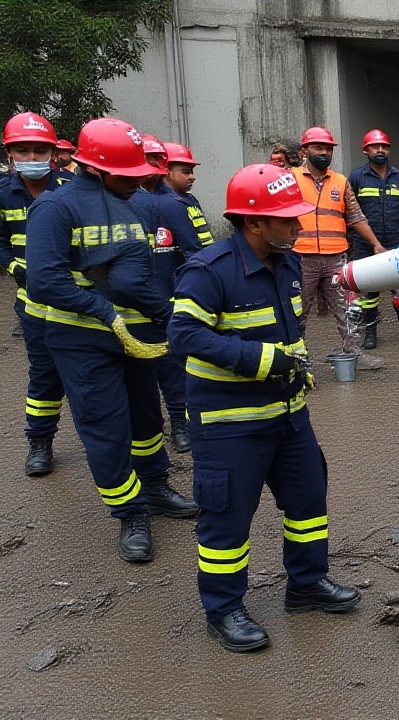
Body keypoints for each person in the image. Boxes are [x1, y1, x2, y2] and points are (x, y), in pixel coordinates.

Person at [169, 163, 360, 652]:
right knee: (227, 520)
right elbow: (184, 335)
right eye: (288, 219)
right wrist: (262, 359)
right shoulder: (208, 270)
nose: (298, 227)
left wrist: (295, 364)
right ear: (253, 222)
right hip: (230, 425)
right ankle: (224, 609)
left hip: (289, 417)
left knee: (308, 501)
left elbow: (289, 332)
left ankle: (306, 584)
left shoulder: (287, 262)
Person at [26, 118, 197, 564]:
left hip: (135, 334)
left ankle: (156, 485)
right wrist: (104, 313)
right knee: (105, 427)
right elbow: (45, 281)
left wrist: (167, 313)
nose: (138, 181)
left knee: (146, 418)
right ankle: (130, 513)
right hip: (81, 339)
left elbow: (140, 274)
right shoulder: (54, 208)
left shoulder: (134, 202)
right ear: (95, 169)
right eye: (127, 174)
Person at [0, 112, 75, 476]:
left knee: (89, 375)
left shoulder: (72, 189)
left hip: (77, 303)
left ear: (53, 152)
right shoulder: (2, 194)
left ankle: (110, 445)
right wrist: (16, 268)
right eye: (23, 151)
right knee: (44, 376)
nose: (31, 158)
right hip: (34, 305)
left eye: (39, 150)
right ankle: (40, 442)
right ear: (10, 154)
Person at [129, 135, 207, 455]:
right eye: (146, 158)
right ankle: (146, 432)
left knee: (175, 370)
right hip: (130, 305)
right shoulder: (118, 202)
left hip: (169, 300)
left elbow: (196, 253)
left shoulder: (176, 204)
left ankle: (179, 424)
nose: (153, 166)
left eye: (156, 160)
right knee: (136, 376)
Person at [291, 126, 385, 370]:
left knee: (349, 308)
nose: (324, 153)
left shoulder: (341, 182)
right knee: (296, 312)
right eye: (318, 148)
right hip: (301, 258)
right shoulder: (291, 180)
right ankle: (297, 359)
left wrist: (376, 244)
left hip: (336, 258)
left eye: (328, 149)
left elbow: (356, 217)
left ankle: (355, 352)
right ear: (305, 151)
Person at [349, 129, 399, 349]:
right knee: (369, 289)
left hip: (396, 241)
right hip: (366, 243)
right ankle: (370, 332)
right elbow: (350, 210)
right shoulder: (357, 177)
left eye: (384, 146)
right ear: (366, 150)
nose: (380, 150)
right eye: (375, 146)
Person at [161, 142, 214, 249]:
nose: (192, 177)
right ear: (167, 171)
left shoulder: (189, 199)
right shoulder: (165, 203)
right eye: (186, 172)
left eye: (192, 172)